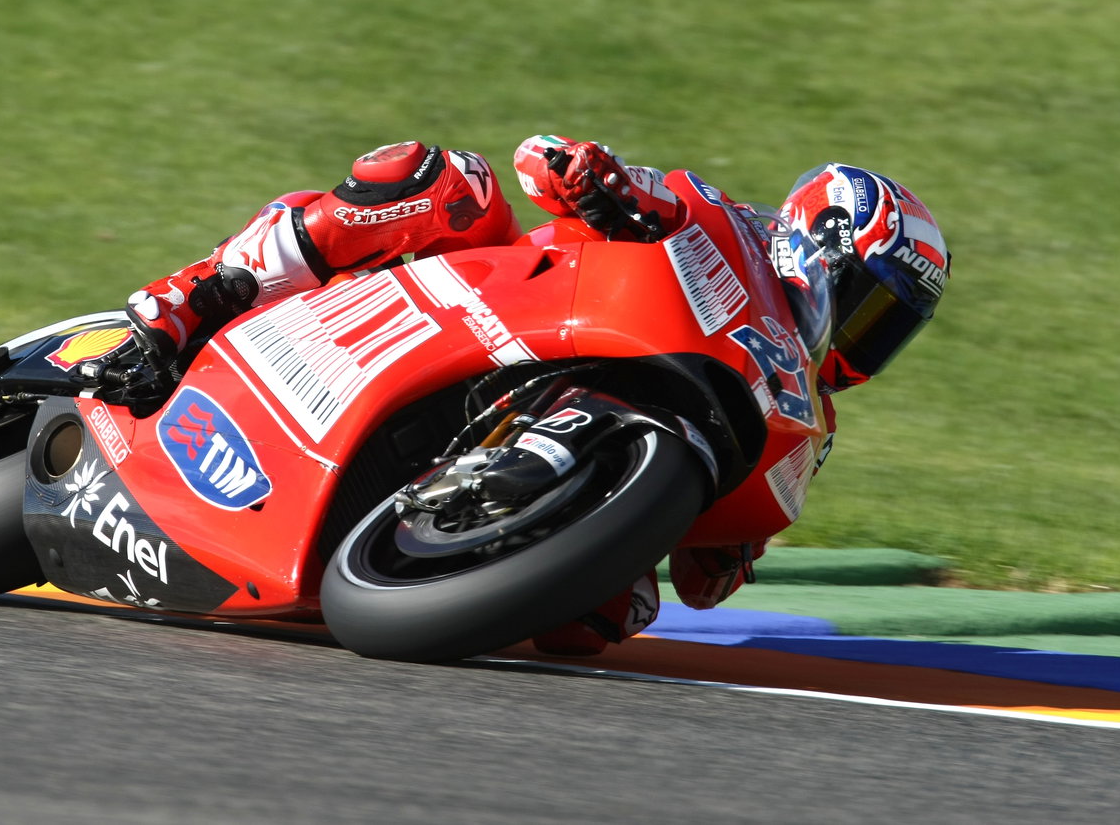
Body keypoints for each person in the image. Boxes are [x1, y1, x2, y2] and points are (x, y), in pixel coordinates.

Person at [122, 137, 950, 655]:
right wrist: (591, 178)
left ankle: (425, 544)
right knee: (449, 182)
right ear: (820, 240)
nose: (865, 336)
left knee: (603, 620)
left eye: (889, 327)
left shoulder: (806, 421)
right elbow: (552, 161)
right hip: (508, 305)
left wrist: (729, 545)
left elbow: (703, 583)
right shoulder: (721, 222)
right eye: (869, 302)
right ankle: (201, 292)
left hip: (617, 431)